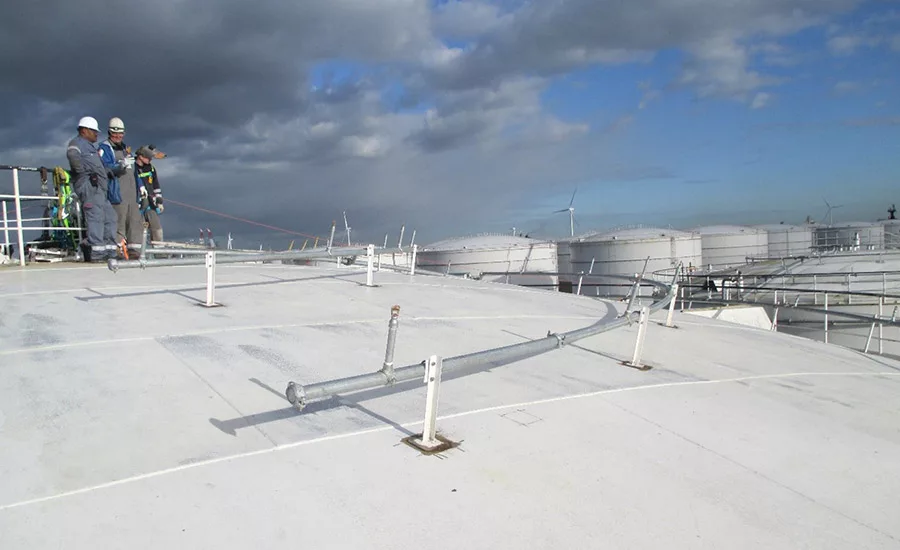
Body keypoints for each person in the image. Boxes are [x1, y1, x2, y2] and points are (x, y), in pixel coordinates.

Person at [66, 116, 125, 262]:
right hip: (90, 187)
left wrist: (114, 170)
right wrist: (84, 174)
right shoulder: (76, 143)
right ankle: (97, 252)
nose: (96, 134)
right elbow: (73, 157)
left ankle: (110, 251)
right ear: (85, 130)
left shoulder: (91, 147)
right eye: (94, 131)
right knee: (96, 218)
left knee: (110, 217)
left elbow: (100, 167)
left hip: (100, 190)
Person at [98, 117, 143, 259]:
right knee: (119, 221)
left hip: (132, 193)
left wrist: (141, 186)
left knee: (135, 221)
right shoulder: (104, 147)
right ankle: (117, 250)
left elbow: (134, 172)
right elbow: (104, 167)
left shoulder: (125, 148)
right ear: (109, 132)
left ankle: (134, 250)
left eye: (120, 133)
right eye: (114, 133)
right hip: (118, 192)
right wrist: (119, 166)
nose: (118, 136)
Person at [134, 146, 164, 242]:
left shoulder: (151, 168)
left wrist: (159, 201)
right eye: (148, 157)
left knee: (157, 229)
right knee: (139, 230)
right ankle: (138, 253)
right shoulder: (133, 168)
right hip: (138, 205)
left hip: (151, 204)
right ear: (141, 157)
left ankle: (160, 254)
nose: (150, 159)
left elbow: (156, 185)